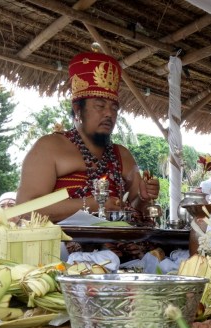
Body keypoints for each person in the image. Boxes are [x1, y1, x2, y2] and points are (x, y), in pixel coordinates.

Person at [16, 51, 159, 223]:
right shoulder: (49, 147)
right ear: (77, 109)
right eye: (100, 105)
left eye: (114, 108)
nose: (109, 114)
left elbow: (136, 209)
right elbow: (25, 210)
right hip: (64, 245)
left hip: (121, 243)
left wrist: (143, 199)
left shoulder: (123, 155)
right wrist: (90, 205)